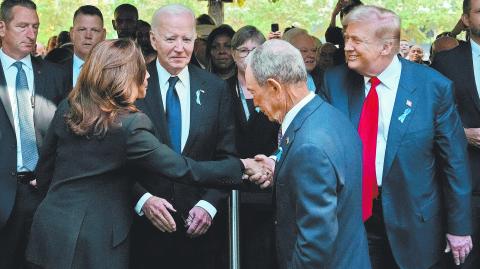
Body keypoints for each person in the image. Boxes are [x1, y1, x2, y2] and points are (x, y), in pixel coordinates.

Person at [24, 38, 269, 269]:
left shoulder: (70, 105)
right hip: (97, 240)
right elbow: (183, 168)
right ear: (124, 76)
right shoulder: (130, 125)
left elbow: (45, 171)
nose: (149, 74)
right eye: (142, 69)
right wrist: (242, 165)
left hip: (50, 231)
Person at [320, 5, 473, 269]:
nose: (347, 47)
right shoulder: (333, 82)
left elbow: (454, 162)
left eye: (356, 40)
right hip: (351, 219)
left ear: (386, 47)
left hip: (414, 222)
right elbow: (317, 143)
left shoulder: (433, 88)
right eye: (346, 38)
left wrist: (459, 227)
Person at [129, 5, 237, 269]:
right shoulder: (131, 87)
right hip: (144, 232)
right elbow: (115, 158)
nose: (179, 48)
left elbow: (228, 157)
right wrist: (143, 201)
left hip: (202, 232)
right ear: (153, 39)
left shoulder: (216, 89)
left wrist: (209, 205)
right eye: (170, 39)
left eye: (186, 39)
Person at [246, 39, 371, 269]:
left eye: (254, 92)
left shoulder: (310, 146)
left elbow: (314, 245)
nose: (254, 103)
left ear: (274, 87)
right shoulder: (330, 116)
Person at [0, 0, 69, 268]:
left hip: (44, 194)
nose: (31, 34)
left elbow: (68, 132)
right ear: (2, 28)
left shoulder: (55, 75)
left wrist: (51, 174)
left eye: (35, 27)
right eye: (23, 26)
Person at [431, 0, 480, 267]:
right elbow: (429, 120)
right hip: (465, 185)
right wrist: (461, 133)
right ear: (465, 19)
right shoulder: (446, 61)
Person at [228, 25, 279, 269]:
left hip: (267, 185)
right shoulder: (219, 89)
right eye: (242, 50)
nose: (248, 55)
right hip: (230, 186)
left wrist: (268, 163)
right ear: (232, 53)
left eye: (254, 50)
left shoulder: (274, 88)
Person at [63, 5, 106, 87]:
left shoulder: (115, 72)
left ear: (103, 35)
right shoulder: (55, 72)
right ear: (72, 33)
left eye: (94, 30)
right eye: (82, 29)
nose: (88, 36)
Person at [283, 27, 320, 92]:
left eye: (314, 50)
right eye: (304, 51)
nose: (312, 55)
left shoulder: (317, 78)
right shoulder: (276, 82)